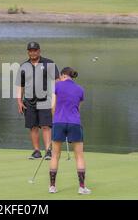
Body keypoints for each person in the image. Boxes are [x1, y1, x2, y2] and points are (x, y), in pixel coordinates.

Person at [48, 67, 91, 195]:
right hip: (74, 123)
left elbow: (53, 106)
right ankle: (82, 187)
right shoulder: (80, 89)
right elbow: (78, 108)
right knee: (79, 156)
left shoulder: (57, 86)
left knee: (55, 155)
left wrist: (55, 119)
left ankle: (52, 186)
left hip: (58, 122)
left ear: (62, 75)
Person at [16, 42, 59, 160]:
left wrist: (56, 99)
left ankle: (48, 151)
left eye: (35, 50)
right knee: (33, 126)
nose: (33, 52)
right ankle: (36, 151)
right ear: (28, 52)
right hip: (29, 101)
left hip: (45, 100)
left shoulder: (49, 63)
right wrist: (19, 101)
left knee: (46, 126)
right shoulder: (23, 66)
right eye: (30, 50)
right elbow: (20, 85)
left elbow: (57, 81)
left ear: (39, 51)